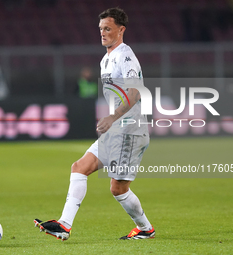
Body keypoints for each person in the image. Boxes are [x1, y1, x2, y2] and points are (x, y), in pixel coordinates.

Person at [34, 7, 155, 241]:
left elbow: (135, 92)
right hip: (118, 130)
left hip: (131, 130)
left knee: (118, 189)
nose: (102, 33)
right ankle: (64, 225)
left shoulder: (125, 56)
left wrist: (112, 116)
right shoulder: (105, 59)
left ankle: (145, 229)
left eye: (107, 28)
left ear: (121, 30)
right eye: (100, 29)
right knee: (79, 167)